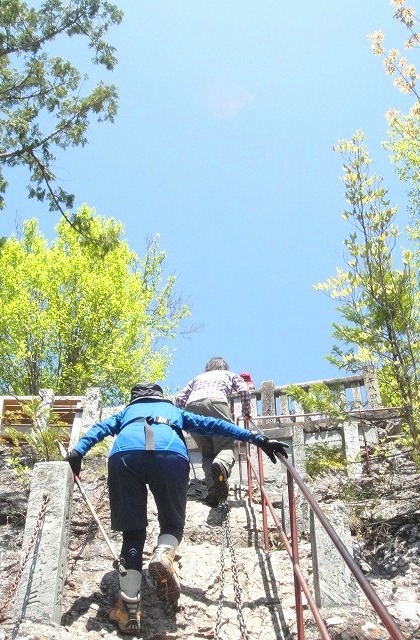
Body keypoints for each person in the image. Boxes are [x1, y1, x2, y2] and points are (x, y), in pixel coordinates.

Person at [64, 382, 289, 636]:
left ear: (134, 400)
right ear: (162, 399)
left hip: (125, 456)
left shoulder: (125, 414)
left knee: (133, 534)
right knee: (171, 524)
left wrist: (77, 453)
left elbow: (100, 429)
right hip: (170, 454)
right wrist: (257, 439)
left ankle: (128, 610)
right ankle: (164, 552)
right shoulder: (176, 413)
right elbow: (215, 425)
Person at [174, 357, 252, 507]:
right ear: (224, 367)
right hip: (217, 403)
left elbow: (179, 399)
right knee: (225, 446)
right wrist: (246, 412)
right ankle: (221, 464)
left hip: (192, 408)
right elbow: (244, 390)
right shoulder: (228, 374)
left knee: (207, 452)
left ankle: (213, 490)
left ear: (208, 367)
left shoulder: (197, 378)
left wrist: (183, 417)